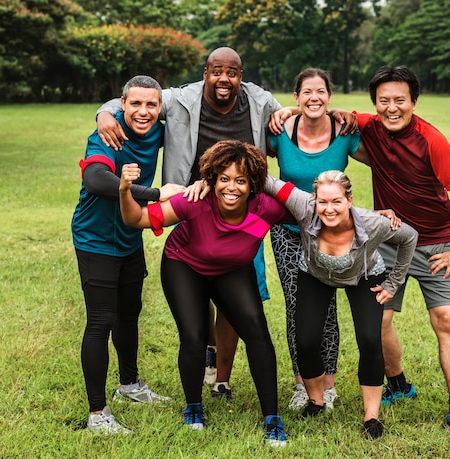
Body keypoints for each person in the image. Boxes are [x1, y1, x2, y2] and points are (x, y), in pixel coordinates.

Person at [96, 47, 358, 399]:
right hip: (192, 202)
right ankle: (206, 350)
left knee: (236, 297)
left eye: (232, 72)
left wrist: (334, 111)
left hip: (242, 207)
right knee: (197, 284)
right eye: (217, 71)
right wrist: (104, 113)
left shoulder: (258, 99)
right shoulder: (180, 99)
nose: (224, 79)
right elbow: (134, 99)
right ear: (205, 72)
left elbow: (299, 113)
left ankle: (221, 378)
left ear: (241, 75)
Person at [118, 140, 290, 447]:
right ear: (212, 179)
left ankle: (271, 417)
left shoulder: (267, 208)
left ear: (253, 184)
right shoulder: (195, 202)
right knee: (195, 335)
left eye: (240, 180)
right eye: (224, 179)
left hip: (232, 268)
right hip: (185, 264)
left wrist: (369, 218)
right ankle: (193, 406)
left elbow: (318, 214)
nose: (231, 188)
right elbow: (137, 219)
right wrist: (123, 191)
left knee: (257, 331)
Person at [356, 65, 450, 436]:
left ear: (414, 102)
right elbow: (322, 111)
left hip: (437, 243)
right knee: (379, 322)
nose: (392, 108)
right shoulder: (370, 127)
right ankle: (399, 385)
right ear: (375, 103)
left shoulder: (431, 139)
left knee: (447, 321)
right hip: (390, 243)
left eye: (400, 101)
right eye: (383, 101)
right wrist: (286, 112)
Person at [264, 170, 418, 439]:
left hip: (364, 276)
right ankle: (316, 401)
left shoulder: (373, 223)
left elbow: (409, 237)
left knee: (370, 339)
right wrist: (218, 174)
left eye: (336, 201)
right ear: (314, 200)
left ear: (349, 200)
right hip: (315, 273)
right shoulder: (305, 206)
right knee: (307, 340)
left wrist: (393, 283)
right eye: (323, 202)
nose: (329, 208)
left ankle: (371, 417)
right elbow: (268, 181)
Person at [71, 75, 182, 435]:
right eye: (135, 103)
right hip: (96, 238)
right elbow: (96, 181)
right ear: (122, 104)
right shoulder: (108, 133)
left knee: (129, 313)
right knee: (100, 320)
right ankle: (96, 414)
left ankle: (129, 386)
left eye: (151, 104)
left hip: (129, 235)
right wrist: (153, 194)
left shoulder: (158, 131)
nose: (143, 111)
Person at [266, 68, 367, 411]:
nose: (314, 98)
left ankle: (328, 385)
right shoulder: (279, 131)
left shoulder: (344, 132)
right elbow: (250, 156)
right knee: (296, 306)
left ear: (329, 96)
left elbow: (383, 157)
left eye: (321, 92)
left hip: (330, 233)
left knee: (327, 307)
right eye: (306, 92)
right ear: (295, 97)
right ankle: (301, 383)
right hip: (287, 230)